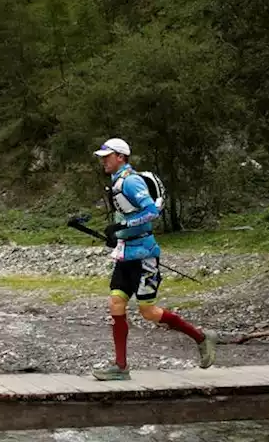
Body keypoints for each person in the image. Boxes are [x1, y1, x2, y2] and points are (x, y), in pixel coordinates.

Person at [91, 137, 215, 381]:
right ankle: (121, 367)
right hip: (125, 253)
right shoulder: (117, 181)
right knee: (116, 303)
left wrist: (123, 225)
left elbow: (151, 212)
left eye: (107, 157)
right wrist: (118, 235)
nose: (103, 162)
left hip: (145, 256)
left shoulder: (132, 181)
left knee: (148, 311)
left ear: (121, 157)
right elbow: (126, 216)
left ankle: (201, 337)